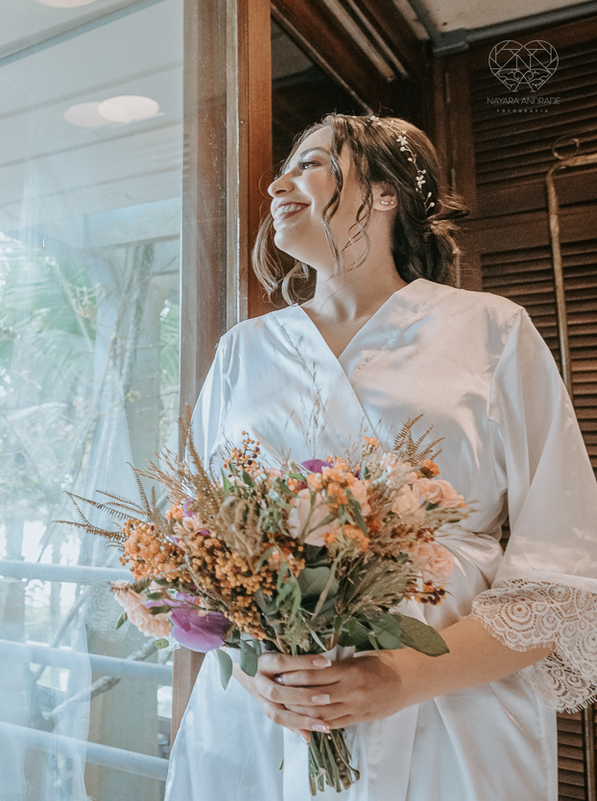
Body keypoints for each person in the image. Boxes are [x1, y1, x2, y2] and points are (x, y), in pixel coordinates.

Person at [165, 113, 597, 800]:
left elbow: (561, 573)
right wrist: (264, 675)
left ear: (387, 190)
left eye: (309, 162)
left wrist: (404, 676)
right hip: (265, 715)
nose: (278, 184)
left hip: (451, 707)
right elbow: (191, 552)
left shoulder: (491, 331)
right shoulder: (240, 352)